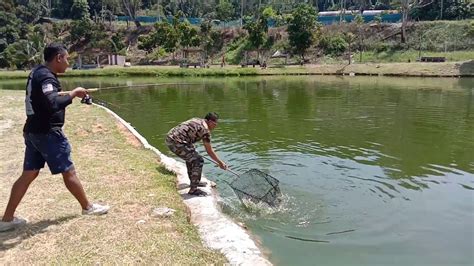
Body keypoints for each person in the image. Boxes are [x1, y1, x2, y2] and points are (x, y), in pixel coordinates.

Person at [0, 44, 109, 232]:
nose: (68, 63)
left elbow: (44, 98)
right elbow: (51, 103)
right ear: (58, 58)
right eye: (67, 59)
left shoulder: (38, 73)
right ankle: (88, 207)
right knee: (68, 171)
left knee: (29, 173)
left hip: (34, 131)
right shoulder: (46, 76)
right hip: (47, 133)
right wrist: (74, 93)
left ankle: (7, 219)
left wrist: (68, 94)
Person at [165, 112, 227, 196]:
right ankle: (193, 190)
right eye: (215, 124)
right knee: (198, 160)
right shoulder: (205, 131)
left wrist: (191, 147)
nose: (215, 126)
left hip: (170, 138)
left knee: (191, 157)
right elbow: (209, 151)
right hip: (175, 142)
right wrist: (220, 163)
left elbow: (186, 133)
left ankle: (194, 181)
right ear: (210, 121)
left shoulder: (197, 119)